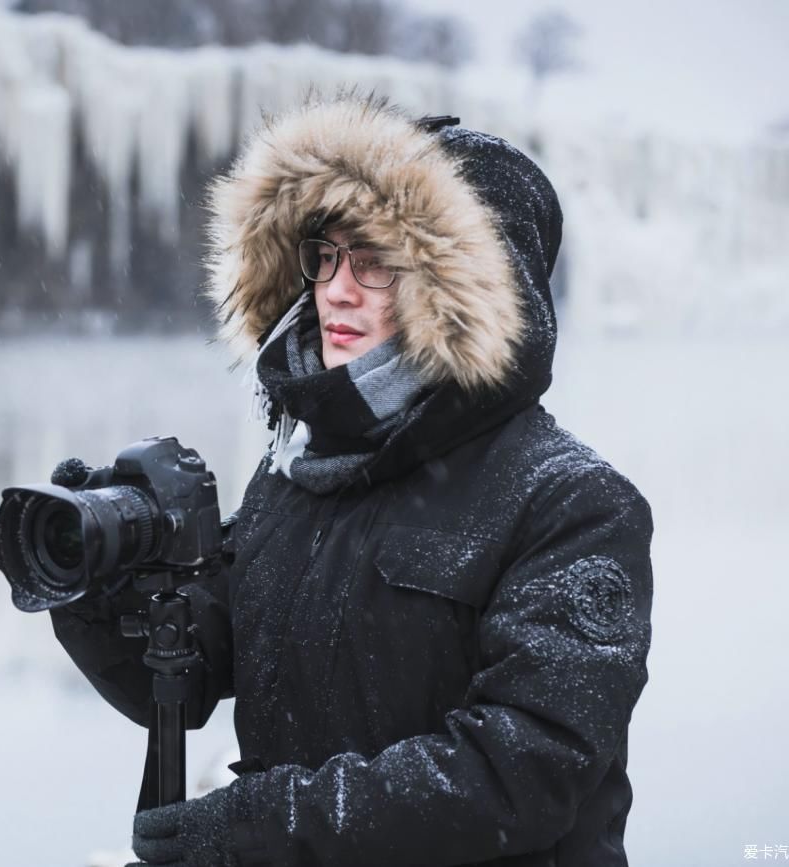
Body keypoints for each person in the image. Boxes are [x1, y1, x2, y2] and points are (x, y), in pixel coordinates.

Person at [49, 94, 654, 867]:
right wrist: (93, 582)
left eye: (375, 262)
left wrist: (257, 829)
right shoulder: (305, 466)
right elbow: (190, 674)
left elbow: (519, 778)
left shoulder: (574, 504)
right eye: (326, 256)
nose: (335, 289)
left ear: (464, 287)